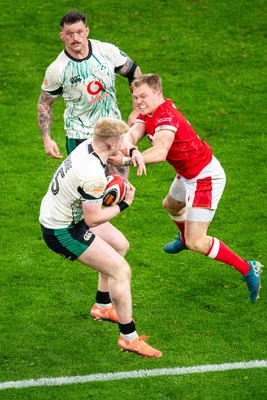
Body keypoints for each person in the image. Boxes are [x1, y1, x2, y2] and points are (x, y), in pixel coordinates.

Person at [109, 73, 263, 303]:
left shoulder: (166, 117)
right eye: (135, 97)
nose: (139, 101)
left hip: (204, 178)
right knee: (171, 204)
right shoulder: (148, 112)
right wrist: (122, 145)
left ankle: (248, 269)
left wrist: (124, 160)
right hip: (187, 174)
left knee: (197, 241)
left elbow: (160, 153)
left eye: (143, 96)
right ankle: (182, 237)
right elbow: (133, 135)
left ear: (157, 93)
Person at [39, 117, 161, 358]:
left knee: (119, 245)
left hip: (64, 215)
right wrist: (124, 204)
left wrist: (132, 152)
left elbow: (122, 144)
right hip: (62, 231)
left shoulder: (89, 145)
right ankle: (129, 338)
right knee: (121, 271)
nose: (127, 141)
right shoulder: (92, 175)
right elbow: (93, 219)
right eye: (123, 140)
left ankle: (103, 306)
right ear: (111, 144)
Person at [37, 10, 142, 178]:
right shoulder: (57, 69)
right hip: (80, 137)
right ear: (62, 36)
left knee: (118, 187)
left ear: (87, 31)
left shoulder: (106, 52)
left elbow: (135, 73)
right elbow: (44, 104)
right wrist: (47, 140)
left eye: (79, 32)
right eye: (70, 34)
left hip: (113, 132)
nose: (76, 38)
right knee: (87, 191)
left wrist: (137, 110)